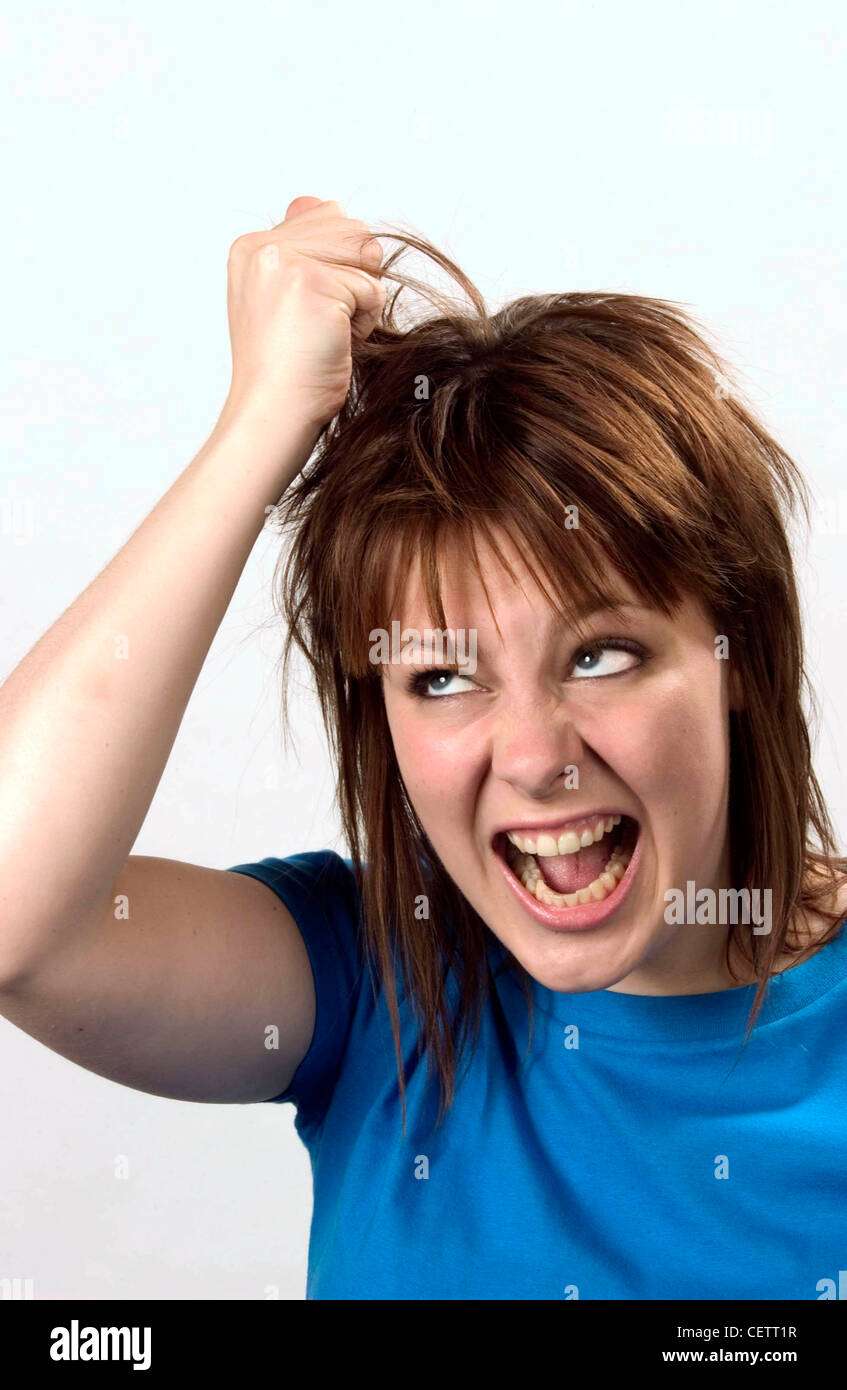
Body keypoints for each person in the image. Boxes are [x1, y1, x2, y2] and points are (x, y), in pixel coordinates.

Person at [1, 196, 845, 1301]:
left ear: (737, 651)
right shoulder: (372, 993)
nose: (536, 755)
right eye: (441, 677)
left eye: (600, 655)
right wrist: (260, 423)